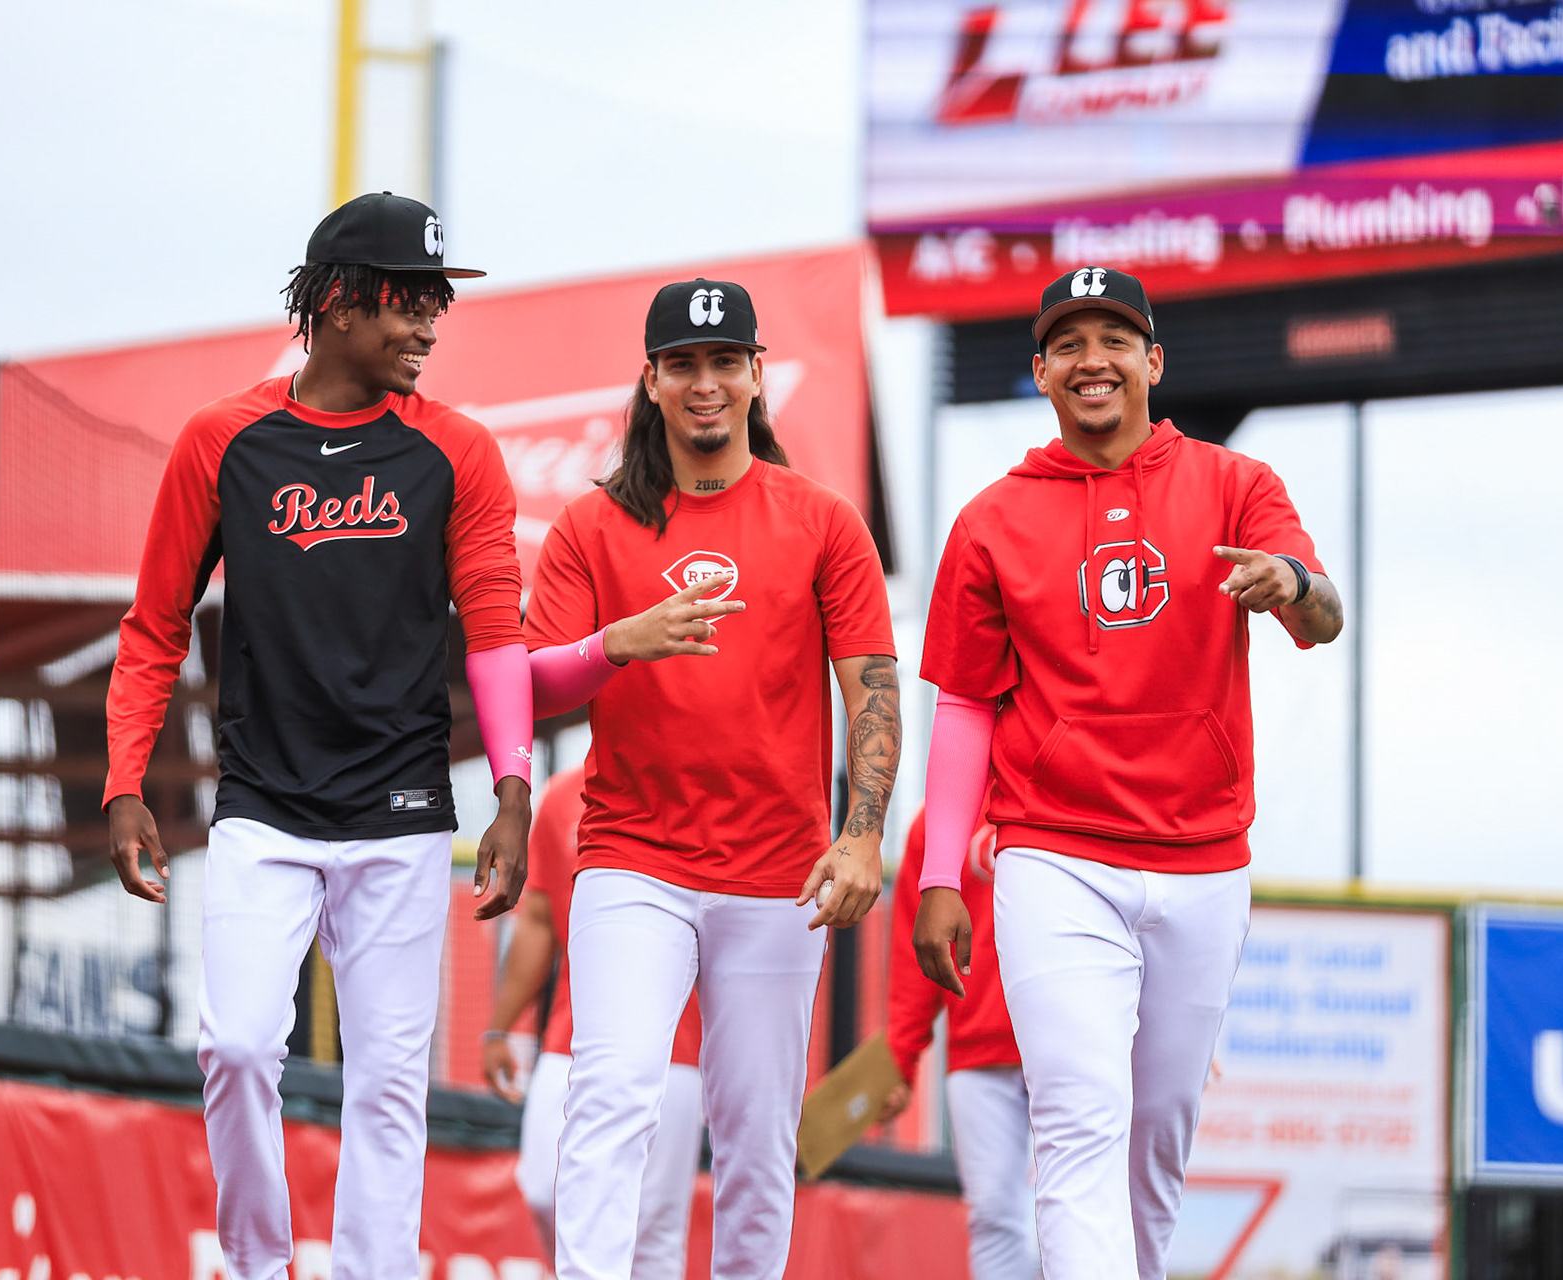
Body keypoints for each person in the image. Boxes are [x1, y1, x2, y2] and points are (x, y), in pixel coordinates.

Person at [103, 192, 536, 1280]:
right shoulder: (224, 440)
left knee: (388, 1084)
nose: (431, 322)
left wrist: (515, 786)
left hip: (399, 811)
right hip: (265, 805)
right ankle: (257, 1266)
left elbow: (494, 632)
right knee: (238, 1045)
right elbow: (154, 625)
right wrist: (124, 781)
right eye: (410, 299)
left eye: (438, 300)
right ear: (339, 302)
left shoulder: (458, 453)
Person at [913, 266, 1343, 1280]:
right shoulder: (990, 519)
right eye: (1068, 344)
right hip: (1054, 853)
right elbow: (966, 707)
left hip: (1203, 859)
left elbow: (1323, 619)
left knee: (1157, 1141)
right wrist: (938, 873)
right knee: (1076, 1115)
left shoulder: (1236, 483)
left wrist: (1290, 584)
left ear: (1153, 360)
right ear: (1041, 372)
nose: (1091, 360)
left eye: (1113, 339)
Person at [521, 278, 901, 1280]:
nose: (704, 383)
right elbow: (527, 688)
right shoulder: (591, 527)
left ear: (755, 375)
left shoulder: (822, 519)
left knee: (757, 1134)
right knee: (610, 1092)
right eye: (682, 363)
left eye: (724, 361)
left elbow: (871, 685)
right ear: (649, 379)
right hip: (631, 858)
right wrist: (617, 643)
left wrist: (862, 833)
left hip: (777, 873)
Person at [482, 766, 706, 1278]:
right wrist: (499, 1027)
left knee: (654, 1228)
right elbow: (538, 919)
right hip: (571, 1031)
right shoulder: (562, 796)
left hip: (681, 1042)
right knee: (544, 1186)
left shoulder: (692, 781)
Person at [884, 808, 1040, 1280]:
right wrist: (899, 1056)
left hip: (1070, 1041)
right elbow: (919, 951)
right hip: (978, 1048)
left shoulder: (1076, 779)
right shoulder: (937, 822)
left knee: (1077, 1207)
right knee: (993, 1215)